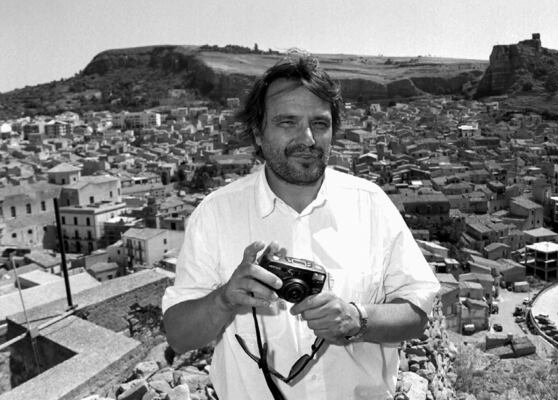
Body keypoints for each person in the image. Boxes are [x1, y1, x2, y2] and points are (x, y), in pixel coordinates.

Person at [162, 52, 440, 400]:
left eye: (320, 124)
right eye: (287, 122)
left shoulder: (370, 204)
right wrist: (224, 300)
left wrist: (359, 319)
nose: (307, 138)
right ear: (257, 133)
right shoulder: (216, 214)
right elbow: (178, 335)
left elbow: (417, 312)